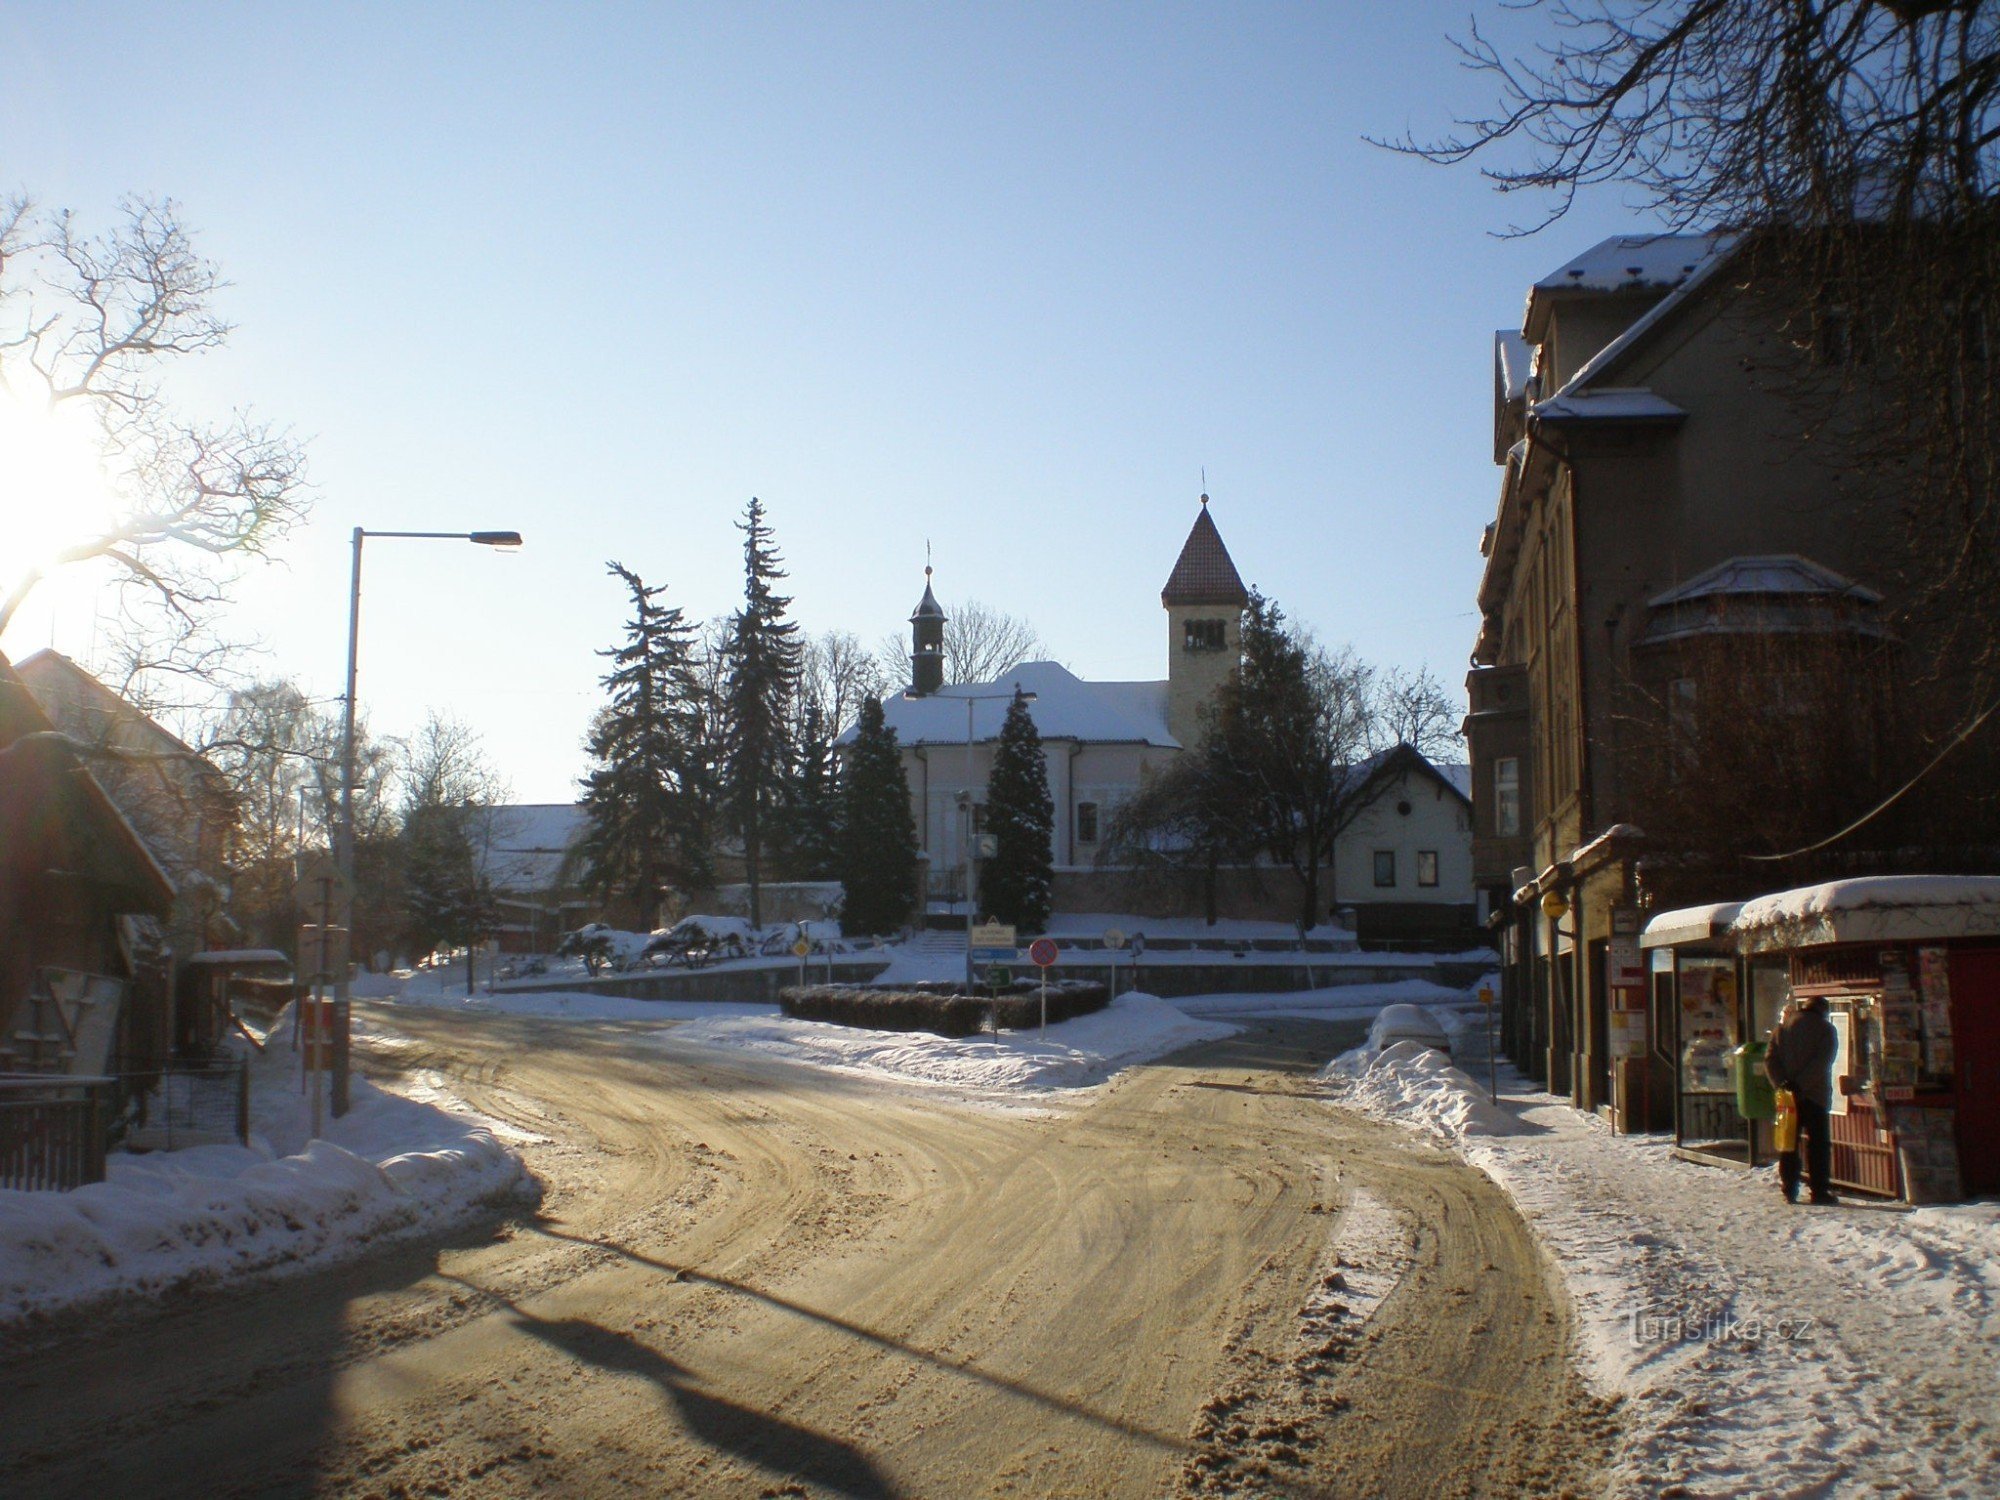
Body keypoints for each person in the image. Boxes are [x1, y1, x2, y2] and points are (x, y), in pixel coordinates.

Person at [1766, 995, 1840, 1205]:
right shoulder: (1826, 1030)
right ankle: (1819, 1190)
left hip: (1788, 1099)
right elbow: (1822, 1062)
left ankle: (1789, 1188)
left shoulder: (1782, 1029)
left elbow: (1770, 1059)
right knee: (1818, 1145)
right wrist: (1802, 1085)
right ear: (1822, 1011)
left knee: (1788, 1143)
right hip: (1815, 1097)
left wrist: (1783, 1084)